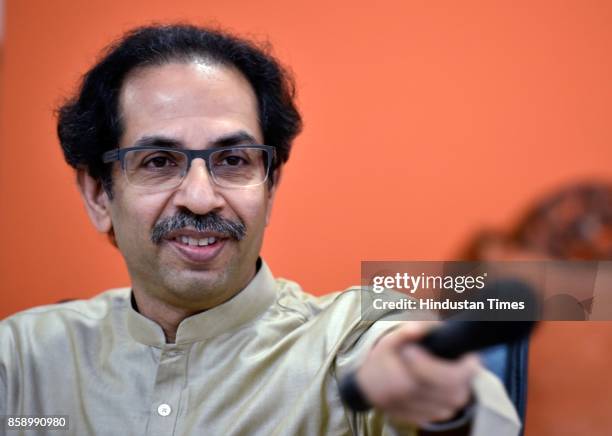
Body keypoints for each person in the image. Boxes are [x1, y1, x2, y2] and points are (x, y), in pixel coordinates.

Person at [0, 24, 519, 435]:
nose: (201, 197)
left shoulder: (350, 341)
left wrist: (443, 404)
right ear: (98, 195)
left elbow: (453, 397)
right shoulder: (23, 361)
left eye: (233, 160)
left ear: (270, 188)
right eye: (159, 161)